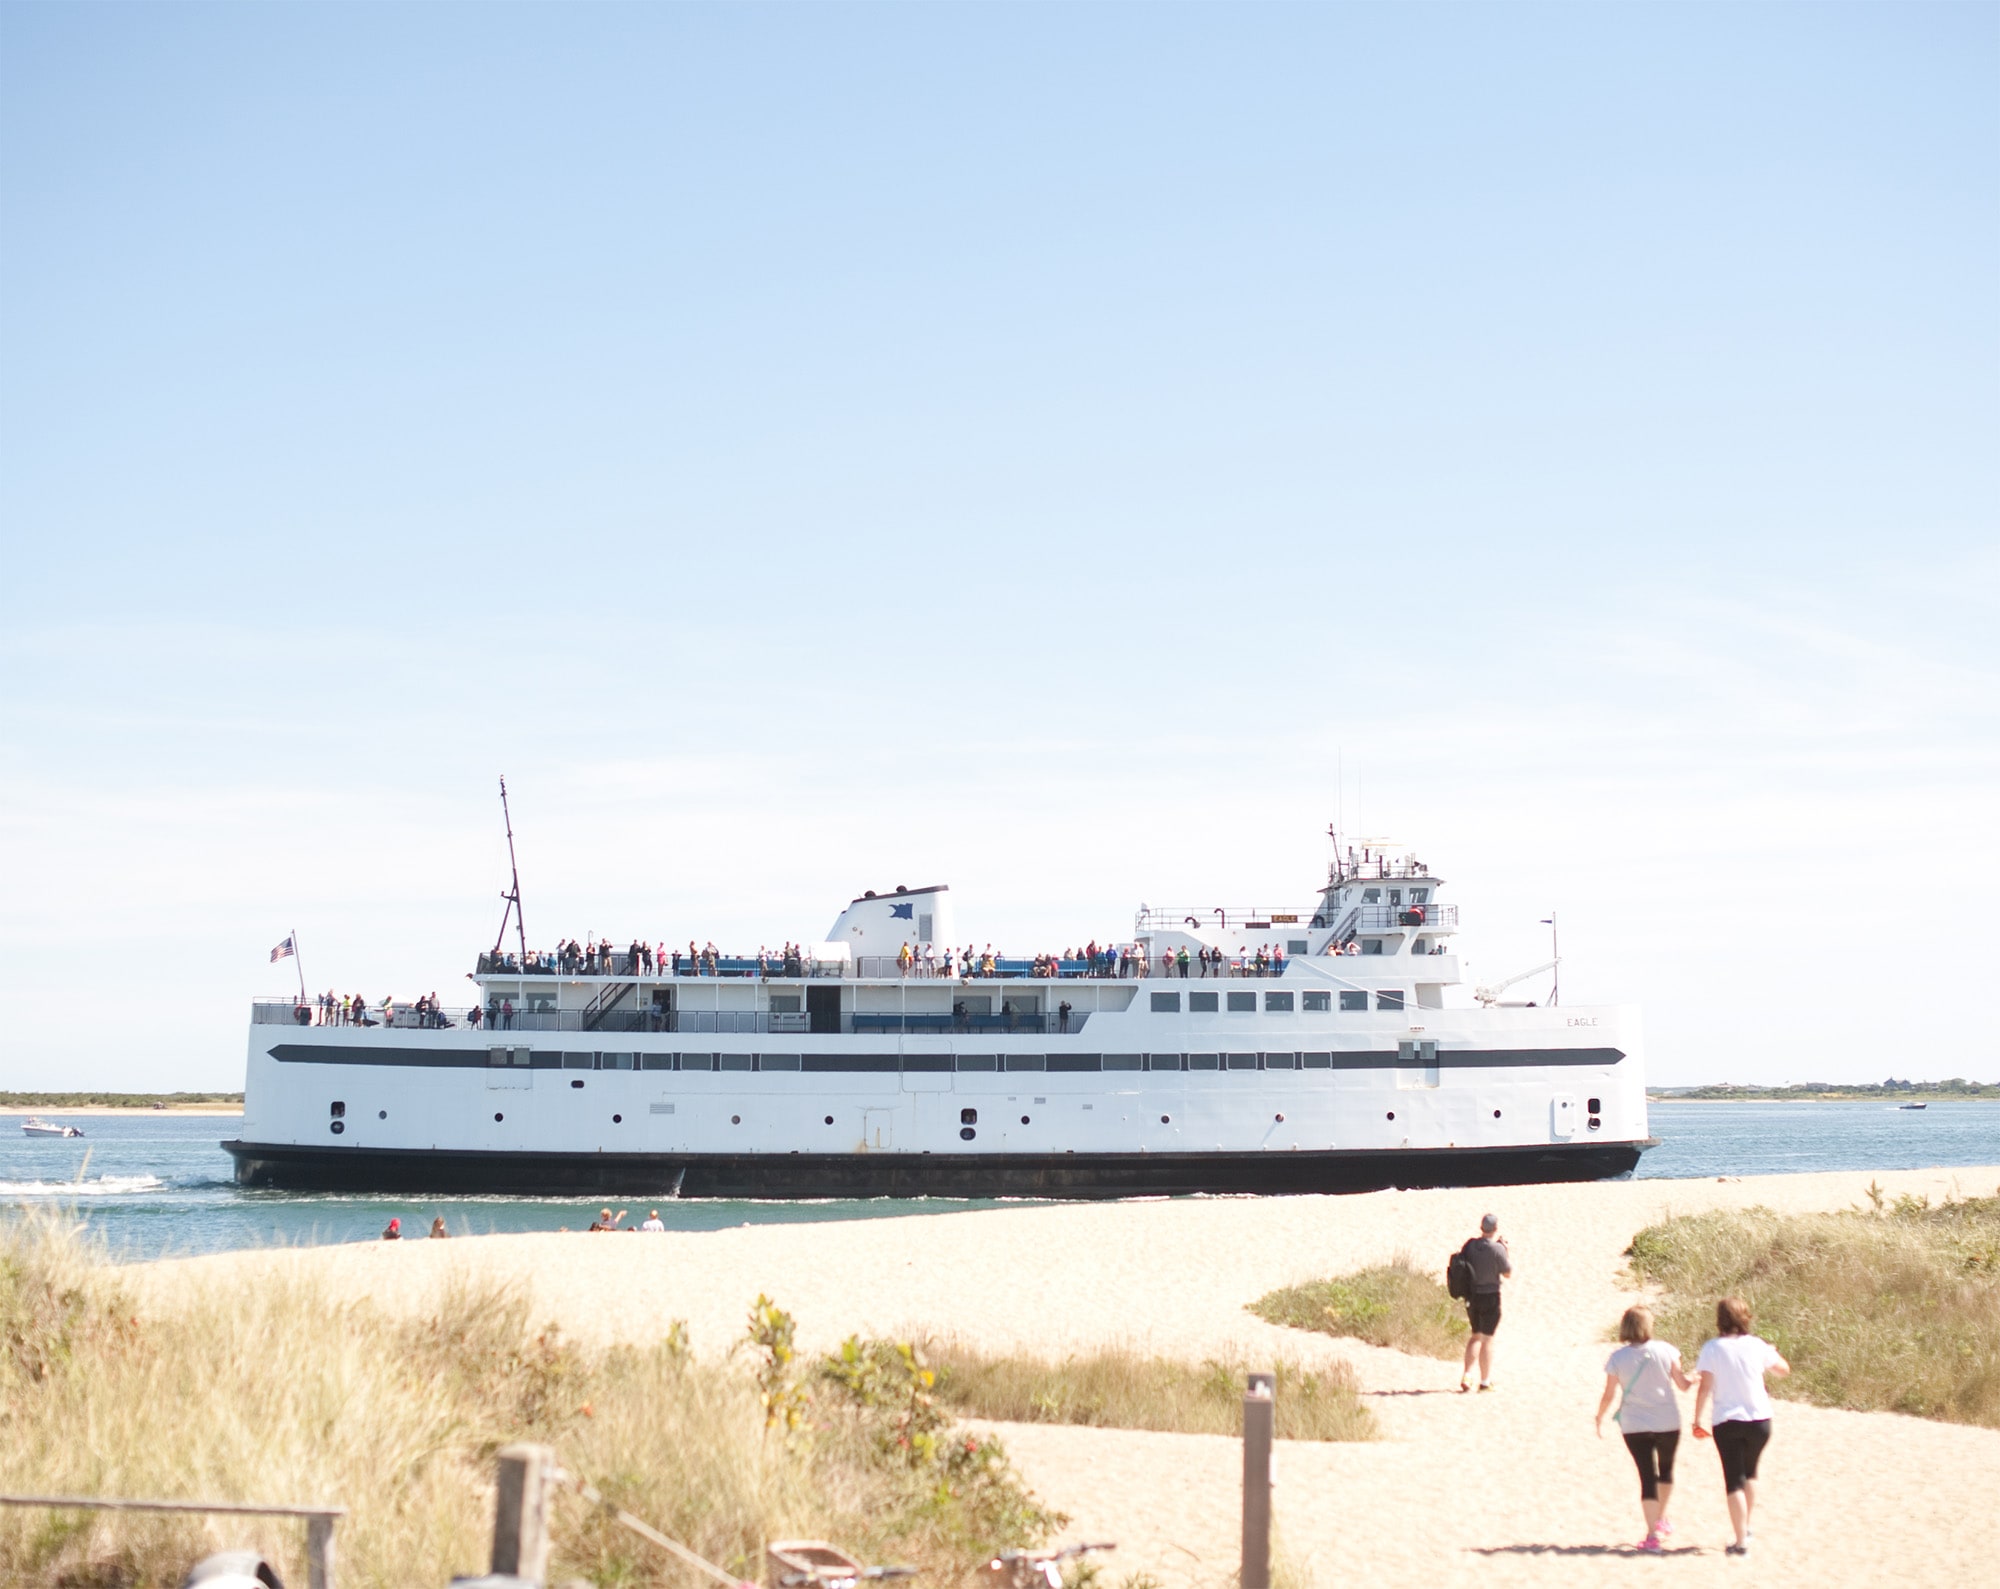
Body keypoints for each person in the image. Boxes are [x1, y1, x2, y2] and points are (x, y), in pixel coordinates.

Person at [1693, 1296, 1791, 1556]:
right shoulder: (1757, 1345)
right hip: (1760, 1420)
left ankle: (1740, 1541)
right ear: (1745, 1317)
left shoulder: (1712, 1348)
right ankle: (1746, 1528)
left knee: (1733, 1480)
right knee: (1751, 1474)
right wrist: (1771, 1351)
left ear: (1720, 1320)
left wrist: (1696, 1418)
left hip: (1727, 1420)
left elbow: (1705, 1387)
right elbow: (1783, 1370)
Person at [1596, 1305, 1693, 1552]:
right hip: (1668, 1420)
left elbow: (1609, 1394)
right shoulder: (1666, 1350)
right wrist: (1697, 1377)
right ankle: (1660, 1517)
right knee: (1667, 1469)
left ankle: (1652, 1534)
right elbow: (1683, 1384)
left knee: (1647, 1476)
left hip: (1635, 1423)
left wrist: (1599, 1416)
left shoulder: (1618, 1357)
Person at [1457, 1212, 1512, 1391]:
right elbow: (1507, 1273)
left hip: (1472, 1297)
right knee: (1487, 1340)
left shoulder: (1470, 1245)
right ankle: (1485, 1381)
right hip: (1490, 1296)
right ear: (1495, 1229)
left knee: (1475, 1337)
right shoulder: (1497, 1249)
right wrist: (1505, 1250)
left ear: (1482, 1228)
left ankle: (1467, 1374)